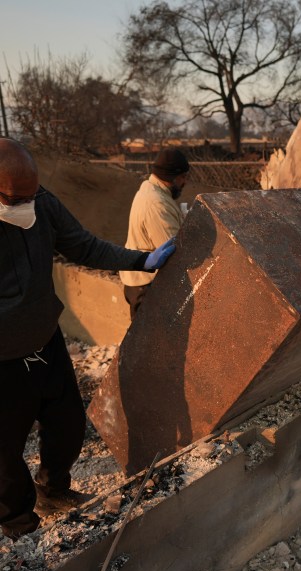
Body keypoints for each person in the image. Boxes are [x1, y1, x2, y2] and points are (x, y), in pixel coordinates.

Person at [0, 138, 176, 541]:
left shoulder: (40, 203)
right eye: (14, 199)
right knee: (5, 451)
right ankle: (19, 525)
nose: (25, 205)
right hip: (4, 359)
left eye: (31, 195)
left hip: (45, 339)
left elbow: (81, 245)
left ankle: (53, 489)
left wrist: (138, 260)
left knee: (67, 423)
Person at [120, 148, 190, 317]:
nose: (184, 182)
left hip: (142, 282)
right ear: (172, 178)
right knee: (151, 342)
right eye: (183, 177)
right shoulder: (157, 205)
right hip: (146, 287)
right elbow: (173, 252)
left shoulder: (151, 188)